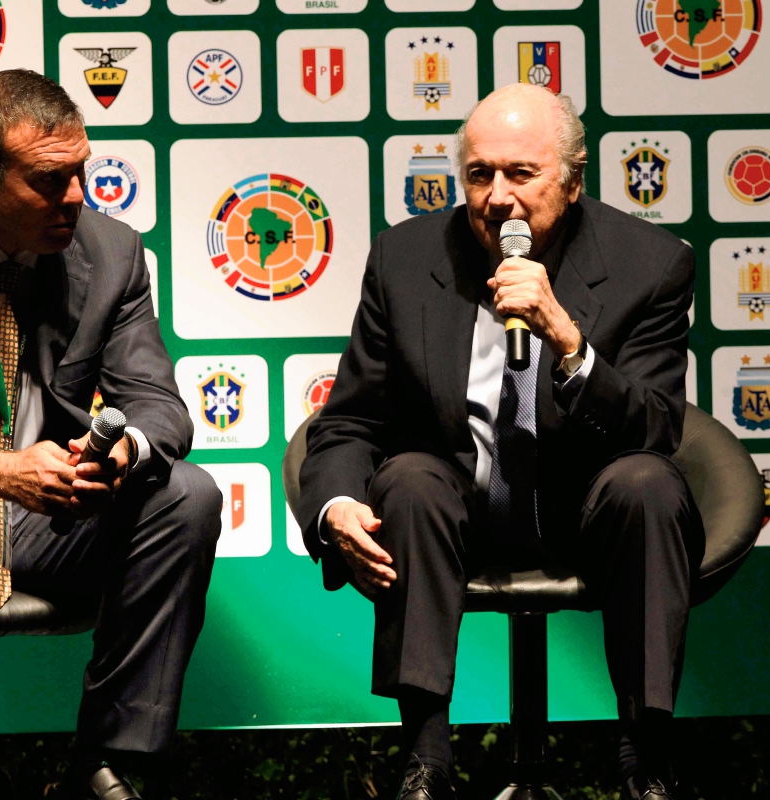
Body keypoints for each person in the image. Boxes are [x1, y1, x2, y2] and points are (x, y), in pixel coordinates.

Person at [297, 83, 700, 799]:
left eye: (522, 174)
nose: (498, 198)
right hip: (454, 519)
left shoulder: (651, 263)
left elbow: (657, 426)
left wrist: (569, 340)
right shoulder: (405, 257)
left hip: (586, 516)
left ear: (573, 183)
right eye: (480, 175)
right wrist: (332, 507)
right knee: (410, 478)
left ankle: (647, 759)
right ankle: (425, 760)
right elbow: (351, 420)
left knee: (649, 483)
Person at [0, 70, 222, 800]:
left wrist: (122, 454)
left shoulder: (112, 252)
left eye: (81, 173)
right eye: (50, 180)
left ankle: (109, 765)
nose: (77, 199)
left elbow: (160, 406)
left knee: (186, 493)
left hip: (52, 517)